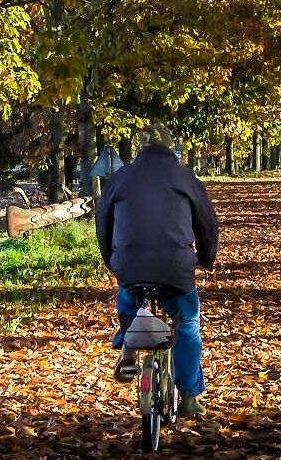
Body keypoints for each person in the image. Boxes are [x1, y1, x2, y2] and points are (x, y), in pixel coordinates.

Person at [94, 126, 219, 417]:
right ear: (170, 146)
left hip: (130, 264)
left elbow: (103, 223)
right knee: (187, 326)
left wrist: (112, 260)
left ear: (139, 148)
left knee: (128, 299)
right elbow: (207, 225)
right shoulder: (186, 178)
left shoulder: (120, 178)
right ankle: (189, 396)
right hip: (176, 268)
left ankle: (127, 341)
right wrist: (206, 258)